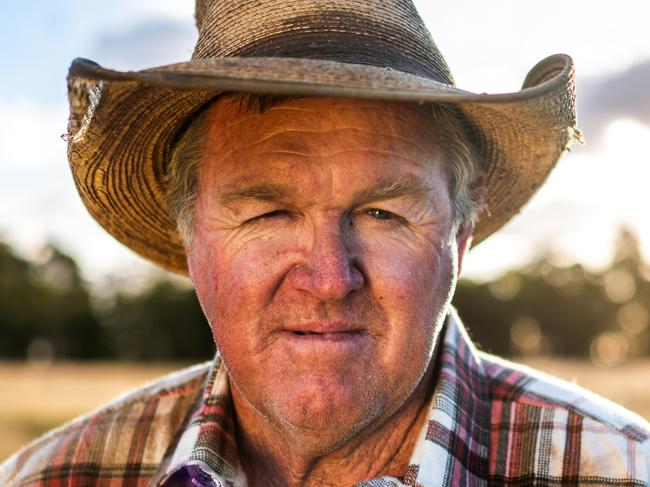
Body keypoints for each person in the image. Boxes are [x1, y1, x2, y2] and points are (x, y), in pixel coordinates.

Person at [2, 0, 649, 485]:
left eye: (382, 212)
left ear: (462, 228)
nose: (330, 277)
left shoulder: (623, 470)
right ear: (189, 229)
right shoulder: (51, 475)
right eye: (268, 213)